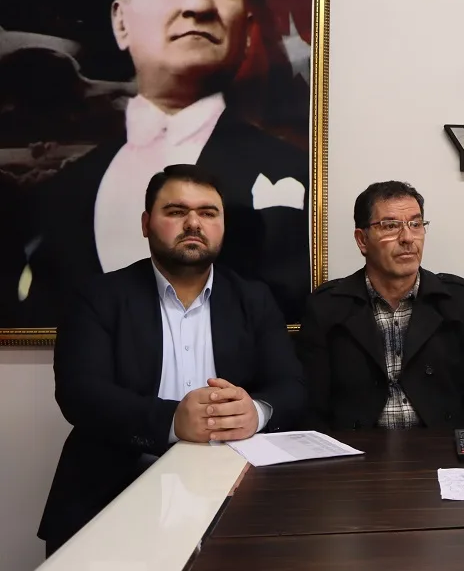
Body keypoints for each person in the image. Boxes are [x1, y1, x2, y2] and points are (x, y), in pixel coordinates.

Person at [23, 0, 309, 326]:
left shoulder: (298, 173)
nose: (199, 4)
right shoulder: (62, 192)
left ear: (247, 31)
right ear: (121, 23)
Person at [37, 164, 305, 556]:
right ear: (146, 223)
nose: (193, 223)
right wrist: (171, 421)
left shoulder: (254, 298)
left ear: (223, 225)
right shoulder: (98, 296)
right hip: (111, 494)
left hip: (234, 494)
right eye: (176, 211)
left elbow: (291, 386)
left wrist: (257, 412)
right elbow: (80, 394)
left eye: (208, 212)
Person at [295, 181, 464, 430]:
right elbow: (310, 410)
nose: (407, 238)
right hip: (356, 449)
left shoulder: (458, 300)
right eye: (391, 226)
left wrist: (459, 448)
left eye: (416, 224)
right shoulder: (327, 306)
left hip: (442, 446)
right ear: (362, 240)